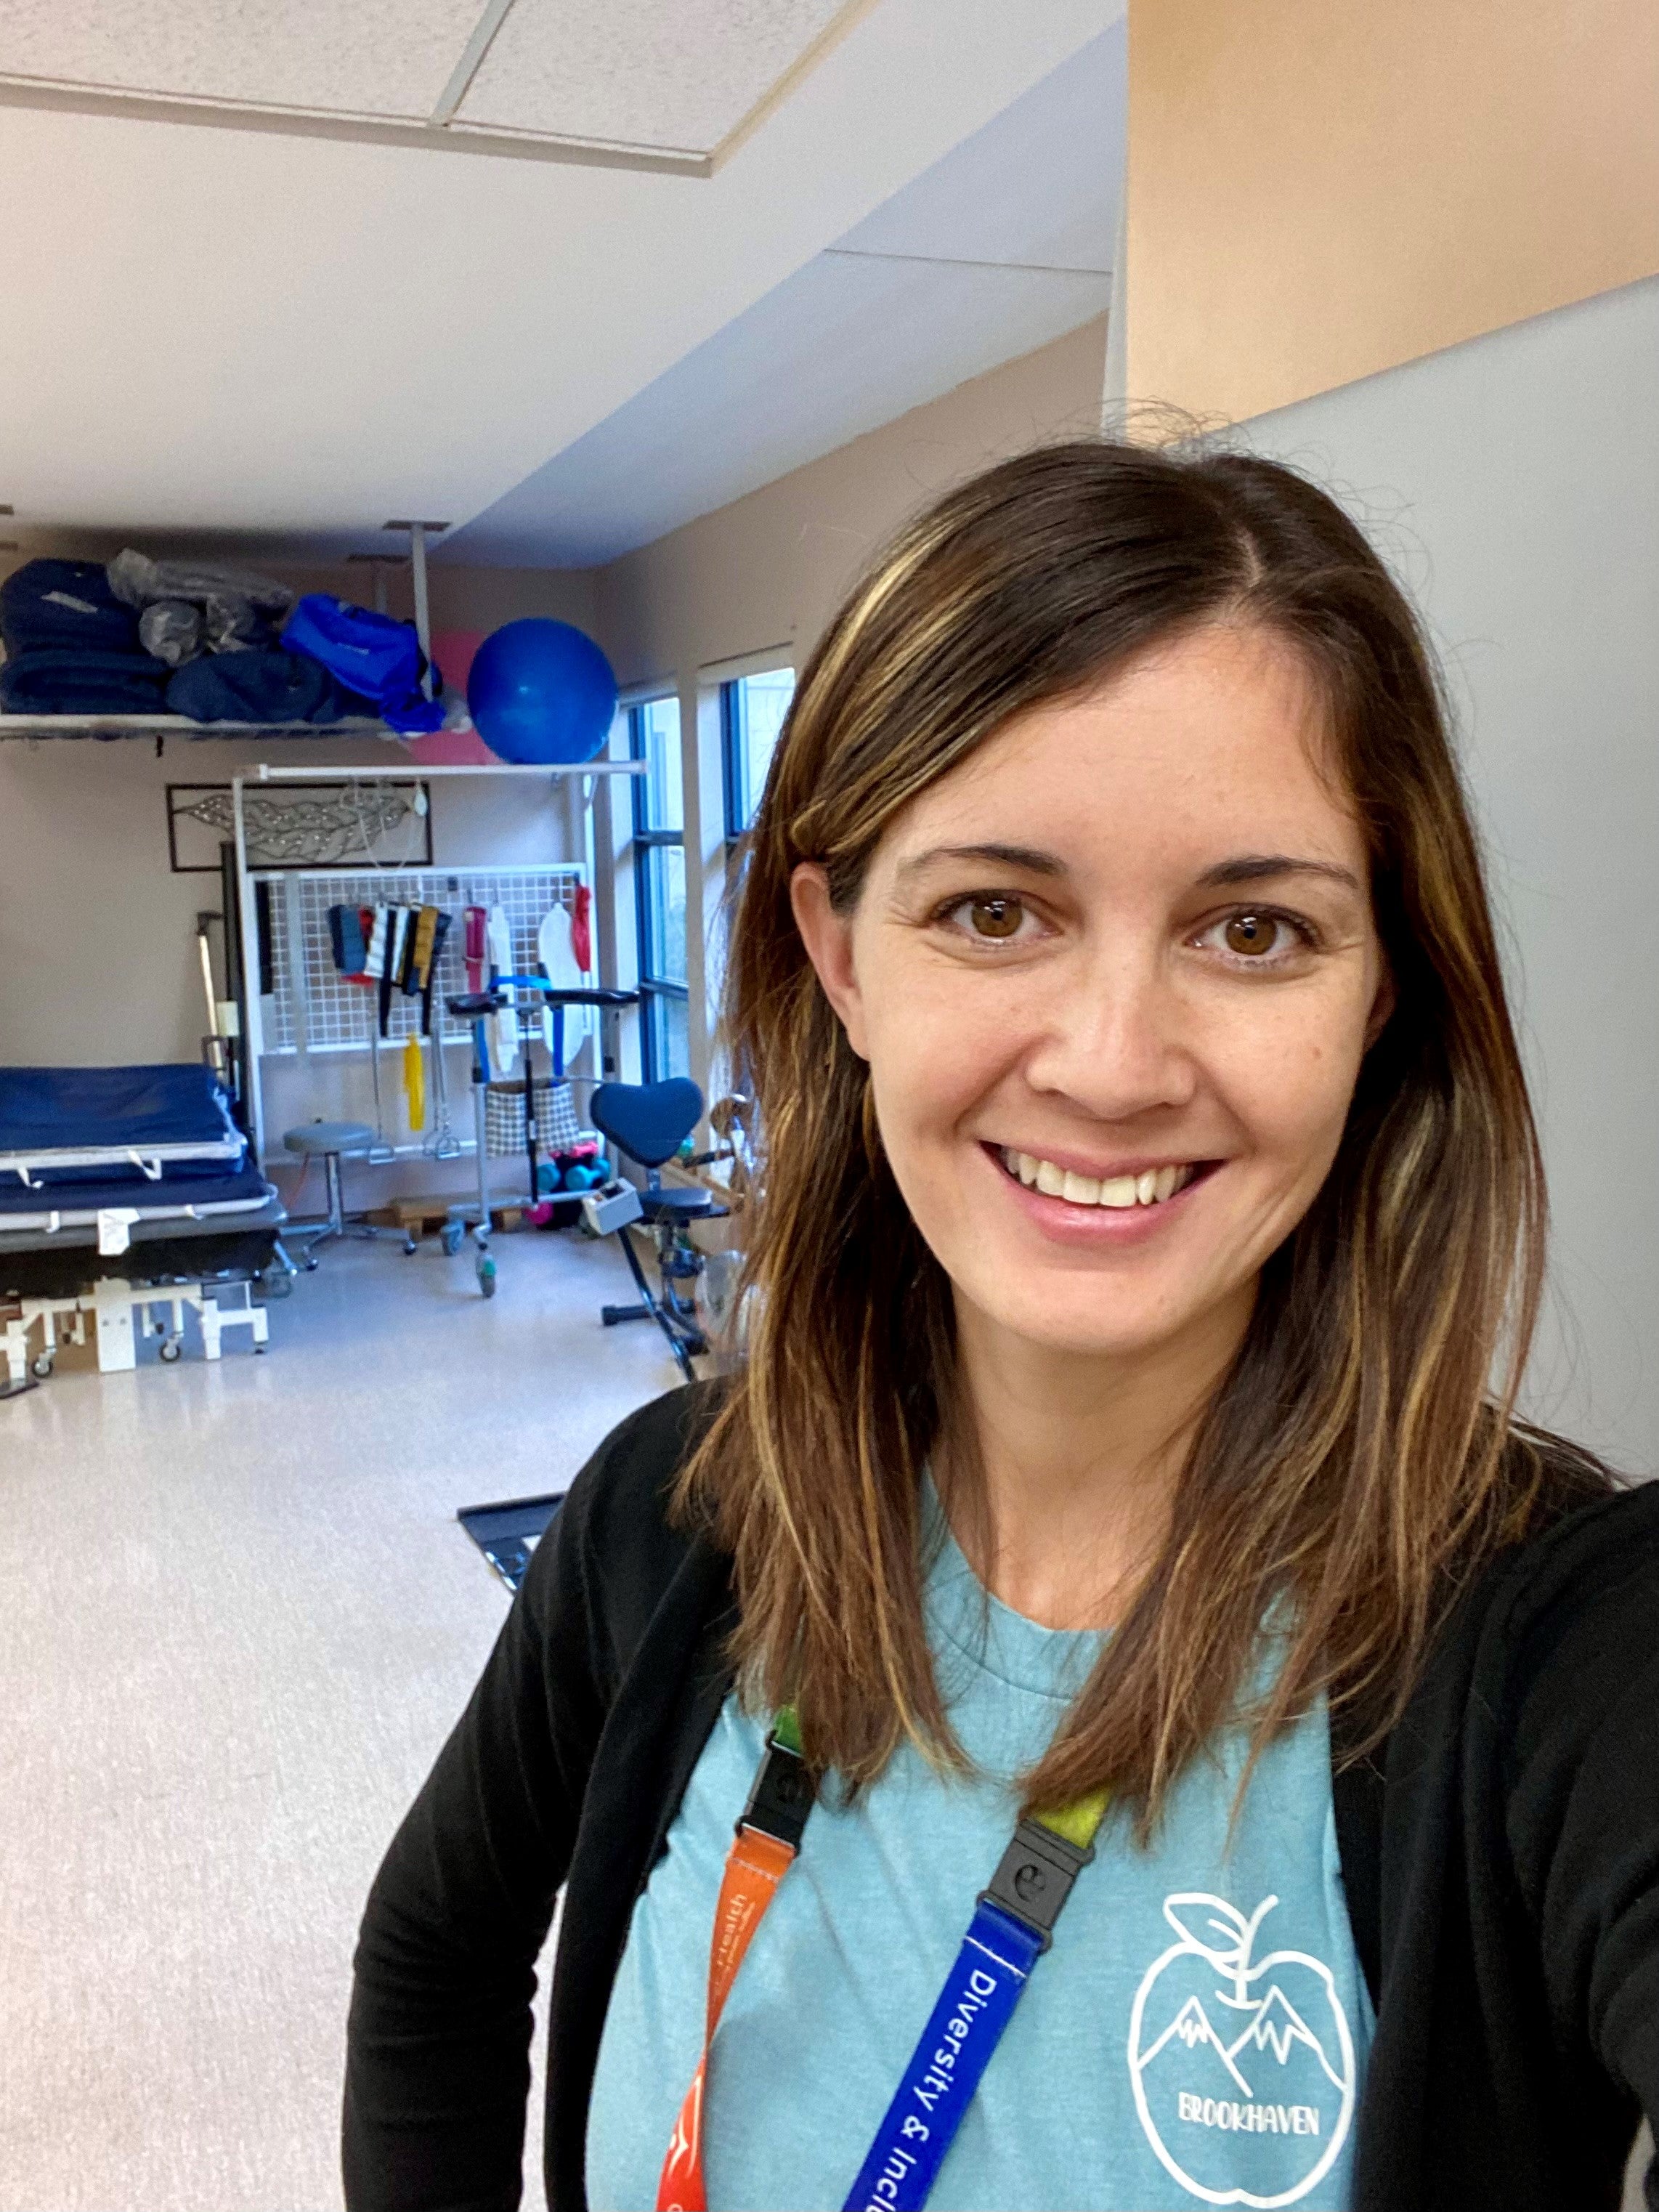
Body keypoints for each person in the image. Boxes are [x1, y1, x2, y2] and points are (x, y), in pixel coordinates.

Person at [343, 442, 1659, 2212]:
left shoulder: (1552, 1652)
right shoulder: (679, 1513)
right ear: (840, 954)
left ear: (1382, 995)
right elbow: (431, 1952)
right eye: (992, 909)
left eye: (1254, 928)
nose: (1111, 1063)